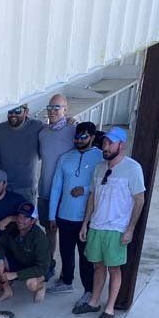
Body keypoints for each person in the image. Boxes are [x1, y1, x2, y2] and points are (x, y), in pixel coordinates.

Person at [76, 126, 145, 318]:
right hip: (97, 225)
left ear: (120, 145)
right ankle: (94, 301)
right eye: (104, 142)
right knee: (98, 266)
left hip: (117, 228)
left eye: (110, 143)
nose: (105, 147)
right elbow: (92, 197)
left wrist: (130, 228)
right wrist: (85, 223)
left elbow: (139, 200)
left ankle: (109, 308)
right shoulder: (99, 168)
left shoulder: (133, 168)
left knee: (114, 269)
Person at [47, 121, 103, 301]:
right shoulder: (65, 158)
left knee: (86, 256)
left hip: (86, 219)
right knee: (65, 251)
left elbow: (104, 185)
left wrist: (85, 190)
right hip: (64, 216)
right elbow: (56, 188)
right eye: (77, 137)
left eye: (83, 136)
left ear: (93, 137)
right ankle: (66, 281)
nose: (79, 140)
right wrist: (51, 216)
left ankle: (88, 290)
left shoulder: (101, 158)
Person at [37, 94, 77, 258]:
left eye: (57, 107)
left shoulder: (74, 130)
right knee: (50, 231)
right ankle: (49, 264)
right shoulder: (43, 134)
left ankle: (65, 273)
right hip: (46, 191)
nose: (52, 111)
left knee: (68, 236)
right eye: (50, 107)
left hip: (66, 194)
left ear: (65, 110)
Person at [0, 201, 51, 304]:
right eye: (19, 215)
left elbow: (43, 267)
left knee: (31, 284)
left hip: (38, 267)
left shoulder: (39, 238)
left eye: (25, 217)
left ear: (33, 221)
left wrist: (15, 274)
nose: (20, 220)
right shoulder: (13, 228)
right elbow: (0, 244)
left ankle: (41, 286)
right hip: (19, 262)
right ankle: (7, 291)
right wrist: (0, 260)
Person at [0, 104, 44, 203]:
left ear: (26, 111)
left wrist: (69, 121)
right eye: (10, 111)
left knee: (26, 219)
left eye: (18, 110)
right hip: (4, 189)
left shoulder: (37, 127)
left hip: (26, 190)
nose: (13, 114)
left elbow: (55, 130)